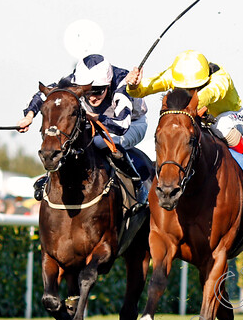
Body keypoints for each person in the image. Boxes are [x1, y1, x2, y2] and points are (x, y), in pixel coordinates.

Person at [124, 50, 243, 203]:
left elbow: (210, 93)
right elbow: (144, 89)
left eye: (196, 87)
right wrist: (133, 85)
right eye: (186, 88)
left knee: (222, 127)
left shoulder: (220, 77)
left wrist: (188, 106)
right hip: (196, 118)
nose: (191, 91)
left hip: (231, 116)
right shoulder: (175, 75)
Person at [17, 54, 150, 209]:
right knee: (70, 139)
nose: (92, 98)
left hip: (132, 123)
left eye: (98, 91)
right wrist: (29, 116)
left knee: (100, 143)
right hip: (95, 121)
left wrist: (92, 117)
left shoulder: (121, 82)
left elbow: (121, 125)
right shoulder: (76, 79)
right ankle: (50, 178)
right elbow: (44, 93)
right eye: (87, 92)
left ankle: (138, 185)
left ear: (108, 84)